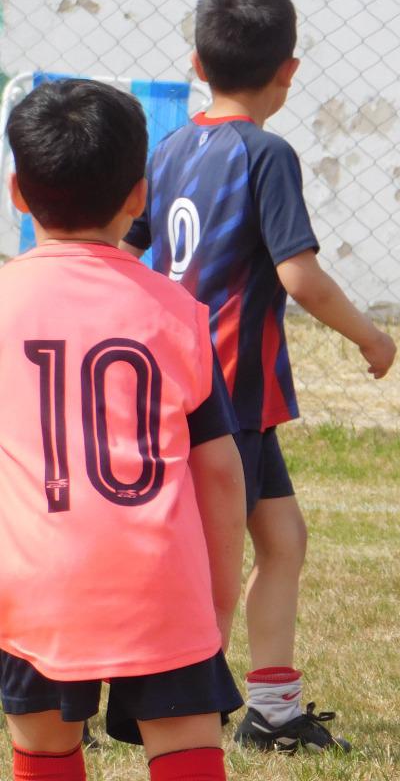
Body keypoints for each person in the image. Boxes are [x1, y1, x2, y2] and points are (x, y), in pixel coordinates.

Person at [123, 0, 397, 752]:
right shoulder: (266, 154)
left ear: (195, 62)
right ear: (290, 69)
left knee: (284, 538)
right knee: (210, 562)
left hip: (194, 387)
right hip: (224, 396)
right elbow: (298, 274)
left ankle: (271, 709)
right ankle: (176, 711)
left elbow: (133, 246)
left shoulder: (171, 146)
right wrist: (371, 338)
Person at [0, 79, 245, 780]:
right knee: (187, 752)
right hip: (158, 585)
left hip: (33, 586)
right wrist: (215, 607)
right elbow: (223, 473)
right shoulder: (177, 313)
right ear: (140, 195)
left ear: (18, 192)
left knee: (44, 749)